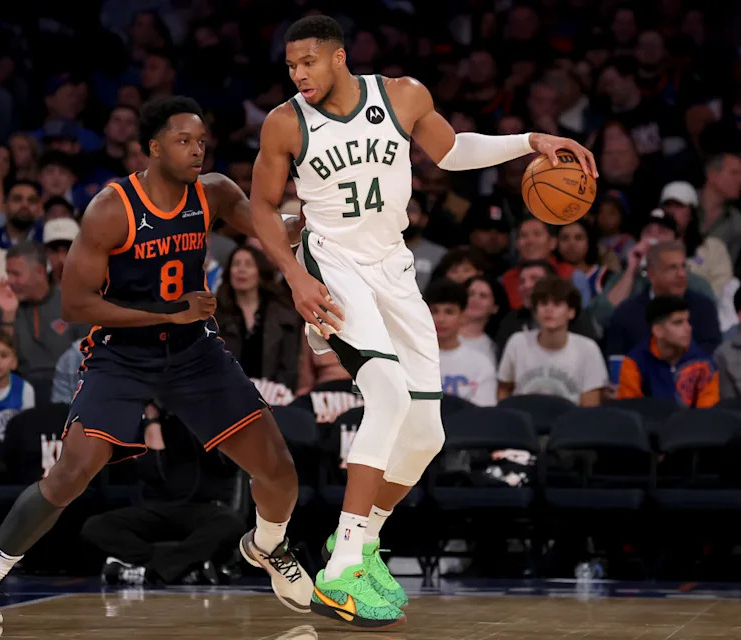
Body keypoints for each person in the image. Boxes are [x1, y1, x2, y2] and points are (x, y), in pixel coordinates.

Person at [247, 15, 597, 628]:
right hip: (332, 263)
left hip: (394, 268)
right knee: (385, 393)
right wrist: (296, 277)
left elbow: (453, 151)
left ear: (338, 57)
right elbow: (260, 206)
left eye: (308, 62)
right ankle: (342, 565)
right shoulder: (285, 122)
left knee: (427, 433)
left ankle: (361, 542)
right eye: (291, 65)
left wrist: (530, 141)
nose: (298, 74)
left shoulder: (402, 95)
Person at [0, 97, 312, 626]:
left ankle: (268, 545)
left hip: (193, 351)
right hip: (123, 352)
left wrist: (318, 214)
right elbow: (75, 305)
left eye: (201, 141)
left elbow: (274, 229)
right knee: (70, 474)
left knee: (278, 470)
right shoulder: (111, 209)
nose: (197, 150)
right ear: (153, 148)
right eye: (184, 141)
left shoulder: (213, 192)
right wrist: (168, 312)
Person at [81, 412, 245, 586]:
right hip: (154, 510)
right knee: (95, 527)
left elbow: (227, 464)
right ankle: (184, 567)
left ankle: (150, 570)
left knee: (231, 523)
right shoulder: (143, 425)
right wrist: (152, 420)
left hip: (201, 509)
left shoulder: (209, 420)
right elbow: (153, 472)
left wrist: (196, 414)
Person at [0, 242, 87, 404]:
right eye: (8, 274)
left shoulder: (70, 303)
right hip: (21, 393)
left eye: (16, 274)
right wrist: (8, 317)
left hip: (66, 392)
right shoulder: (3, 308)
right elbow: (0, 360)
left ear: (39, 272)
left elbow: (87, 355)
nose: (10, 281)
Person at [498, 277, 607, 406]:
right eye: (543, 304)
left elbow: (590, 407)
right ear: (535, 312)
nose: (549, 310)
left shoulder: (588, 349)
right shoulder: (517, 342)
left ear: (571, 312)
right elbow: (504, 390)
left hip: (569, 418)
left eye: (557, 304)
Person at [605, 241, 722, 358]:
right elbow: (615, 360)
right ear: (652, 275)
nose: (681, 274)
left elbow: (711, 352)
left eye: (683, 266)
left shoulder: (703, 307)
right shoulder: (627, 314)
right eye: (672, 268)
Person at [215, 246, 301, 389]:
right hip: (227, 392)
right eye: (236, 264)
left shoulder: (283, 315)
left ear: (260, 272)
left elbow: (290, 366)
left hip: (275, 393)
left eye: (249, 265)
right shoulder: (216, 316)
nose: (241, 270)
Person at [617, 296, 719, 407]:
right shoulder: (634, 363)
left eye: (688, 321)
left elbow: (707, 412)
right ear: (658, 331)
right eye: (678, 323)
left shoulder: (704, 364)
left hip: (693, 419)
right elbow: (629, 408)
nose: (688, 328)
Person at [425, 279, 496, 405]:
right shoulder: (412, 359)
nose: (440, 319)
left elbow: (485, 411)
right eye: (434, 311)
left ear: (462, 316)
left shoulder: (481, 363)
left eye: (449, 312)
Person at [500, 217, 576, 309]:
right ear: (516, 244)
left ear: (553, 242)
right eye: (523, 235)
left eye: (537, 234)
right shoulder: (506, 280)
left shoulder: (572, 275)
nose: (530, 241)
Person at [458, 275, 501, 363]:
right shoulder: (439, 333)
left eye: (483, 296)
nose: (474, 299)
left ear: (495, 308)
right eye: (470, 294)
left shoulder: (492, 349)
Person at [42, 218, 80, 286]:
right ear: (46, 252)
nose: (61, 259)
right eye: (54, 250)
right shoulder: (37, 288)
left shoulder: (93, 287)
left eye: (68, 249)